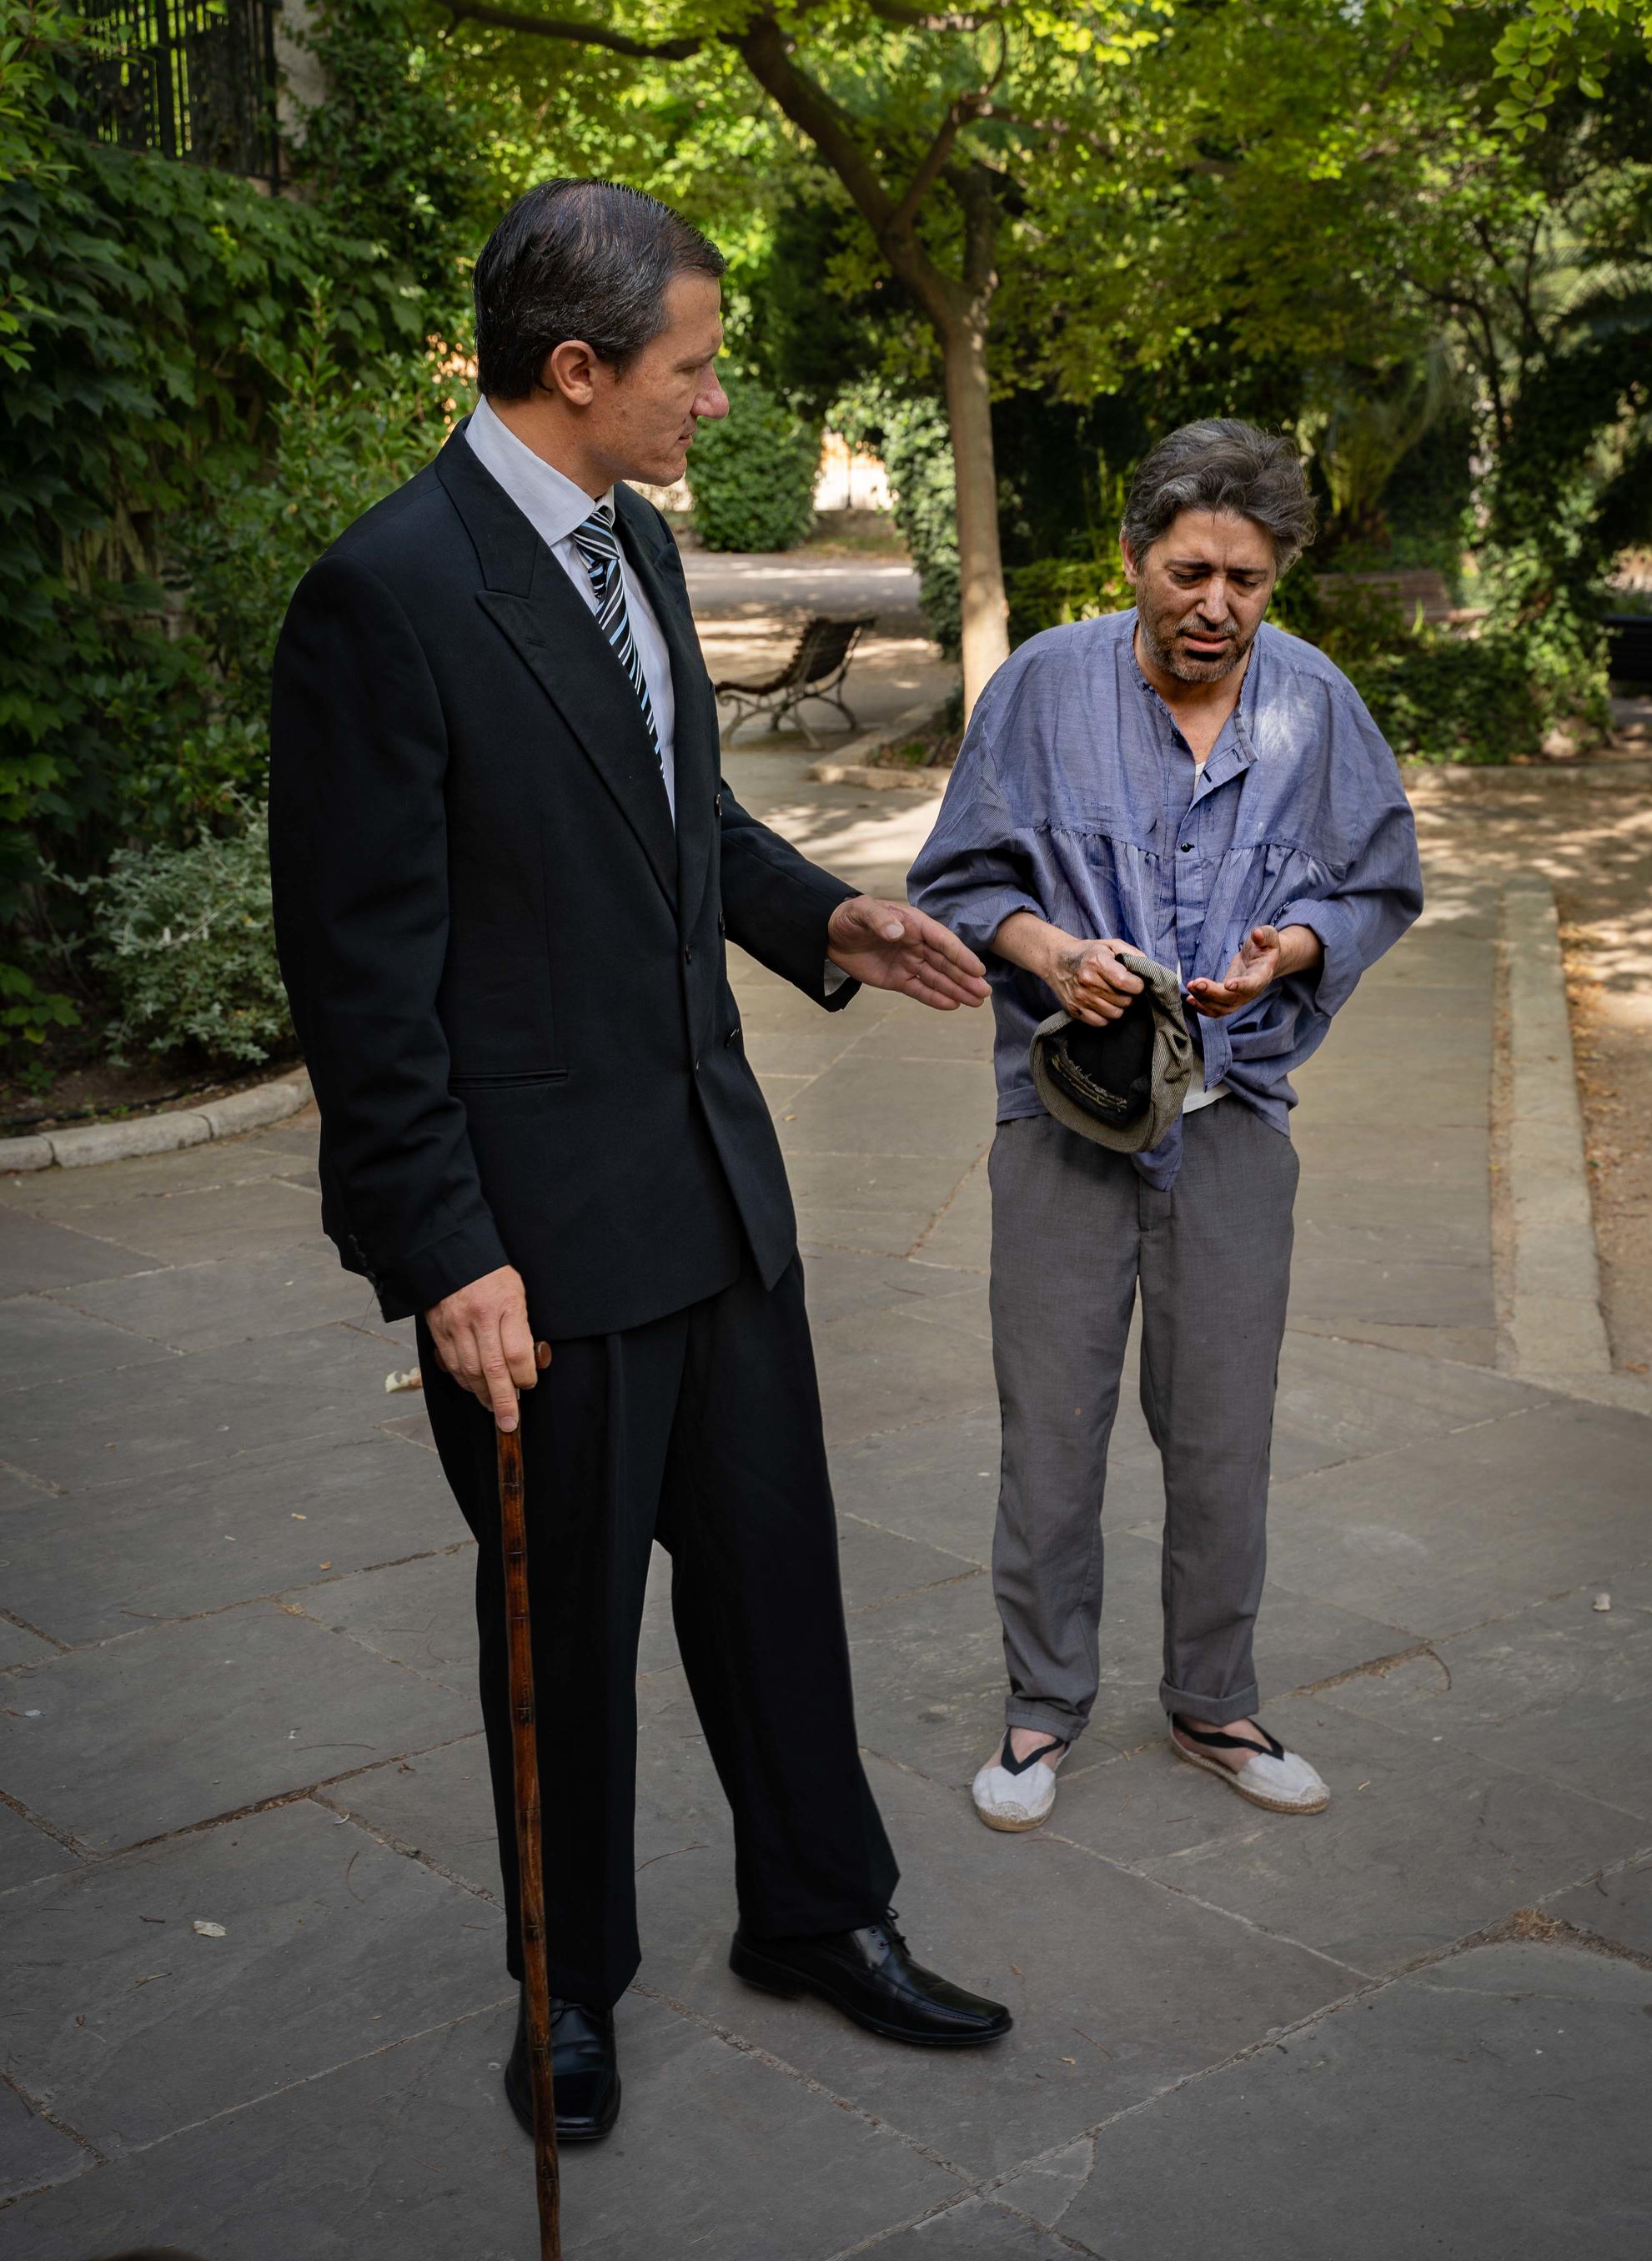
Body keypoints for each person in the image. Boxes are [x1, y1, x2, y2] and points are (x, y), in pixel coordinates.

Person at [269, 178, 1012, 2146]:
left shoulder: (633, 551)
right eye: (688, 369)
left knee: (777, 1584)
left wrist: (819, 923)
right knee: (563, 1638)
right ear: (578, 369)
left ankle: (820, 1918)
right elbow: (363, 979)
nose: (711, 398)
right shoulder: (388, 594)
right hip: (533, 1246)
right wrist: (447, 1251)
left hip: (712, 1190)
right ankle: (563, 1985)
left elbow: (673, 823)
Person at [909, 420, 1423, 1835]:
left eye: (1247, 581)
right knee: (1052, 1429)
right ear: (1135, 558)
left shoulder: (1317, 705)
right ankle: (1040, 1707)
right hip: (1064, 1123)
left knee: (1221, 1434)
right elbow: (957, 880)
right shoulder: (1039, 690)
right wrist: (1049, 951)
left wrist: (1297, 949)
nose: (1216, 606)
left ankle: (1214, 1704)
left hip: (1238, 1118)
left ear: (1276, 582)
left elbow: (1381, 881)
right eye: (1190, 570)